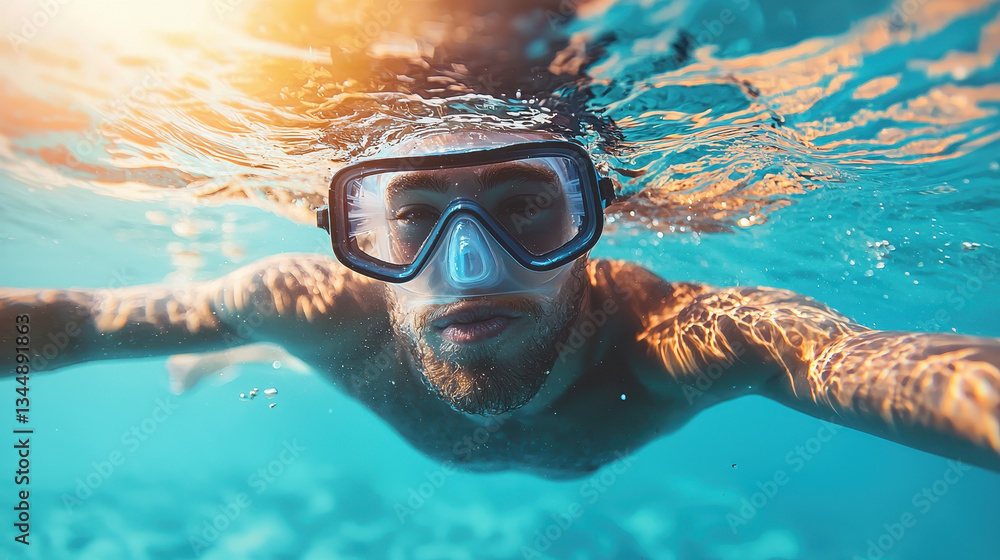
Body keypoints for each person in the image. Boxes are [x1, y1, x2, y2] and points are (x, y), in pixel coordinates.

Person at [3, 129, 999, 478]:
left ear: (594, 224)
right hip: (317, 335)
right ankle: (236, 350)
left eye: (528, 207)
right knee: (258, 331)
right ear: (354, 240)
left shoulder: (682, 339)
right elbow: (86, 318)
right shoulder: (307, 301)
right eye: (415, 219)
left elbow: (869, 362)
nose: (470, 268)